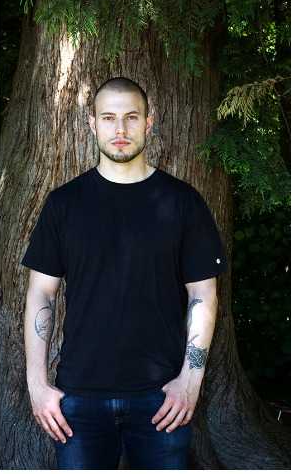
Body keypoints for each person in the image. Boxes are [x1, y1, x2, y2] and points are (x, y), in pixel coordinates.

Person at [22, 77, 226, 469]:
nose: (120, 130)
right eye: (109, 118)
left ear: (149, 123)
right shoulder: (64, 204)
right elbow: (40, 294)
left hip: (162, 398)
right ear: (91, 123)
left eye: (131, 117)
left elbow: (204, 294)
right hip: (77, 400)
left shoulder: (183, 202)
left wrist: (190, 380)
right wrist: (37, 386)